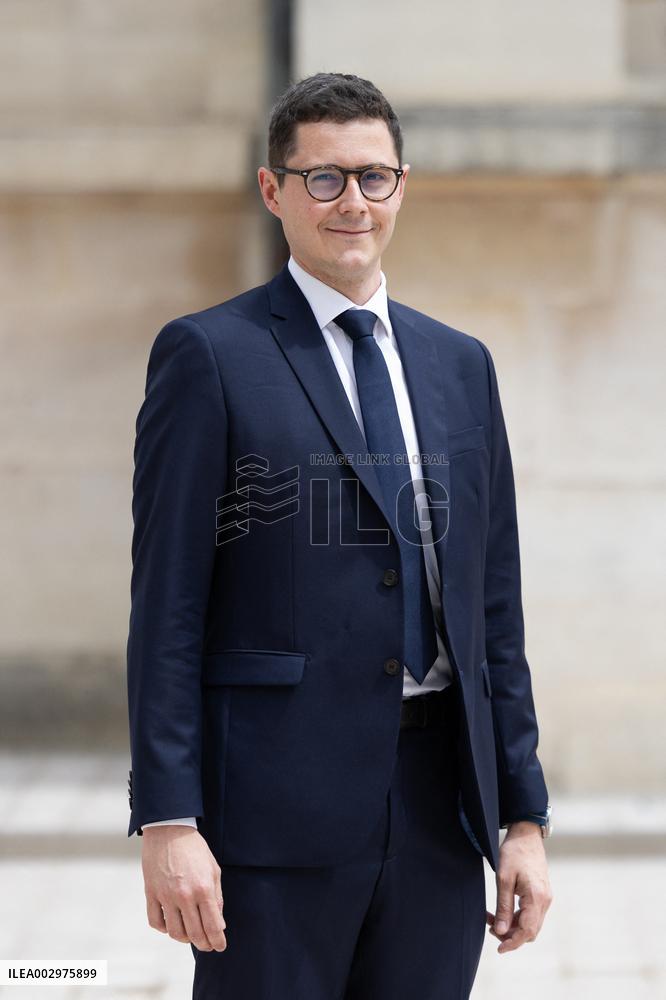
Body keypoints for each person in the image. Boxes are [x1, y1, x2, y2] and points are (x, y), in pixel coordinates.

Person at [126, 72, 553, 1000]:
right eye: (323, 178)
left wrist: (523, 818)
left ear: (402, 186)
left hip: (440, 816)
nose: (352, 201)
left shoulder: (461, 365)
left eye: (373, 176)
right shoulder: (210, 355)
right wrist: (168, 820)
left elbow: (493, 609)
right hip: (271, 819)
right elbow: (167, 610)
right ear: (273, 190)